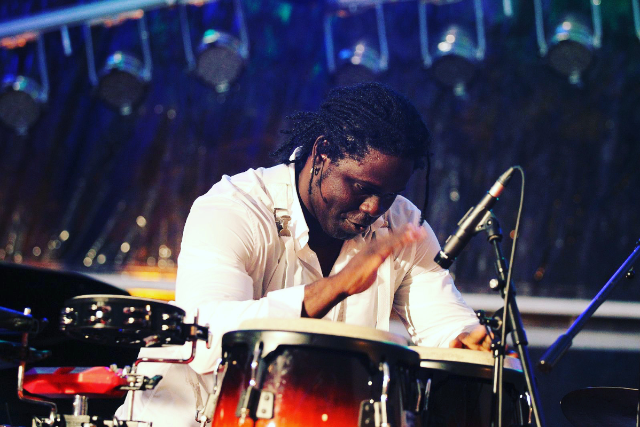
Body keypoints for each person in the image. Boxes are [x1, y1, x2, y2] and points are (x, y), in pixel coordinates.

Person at [116, 82, 490, 426]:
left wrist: (467, 340)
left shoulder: (402, 224)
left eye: (389, 194)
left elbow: (442, 324)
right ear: (322, 152)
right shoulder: (234, 207)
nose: (374, 207)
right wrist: (337, 285)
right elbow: (205, 336)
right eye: (362, 188)